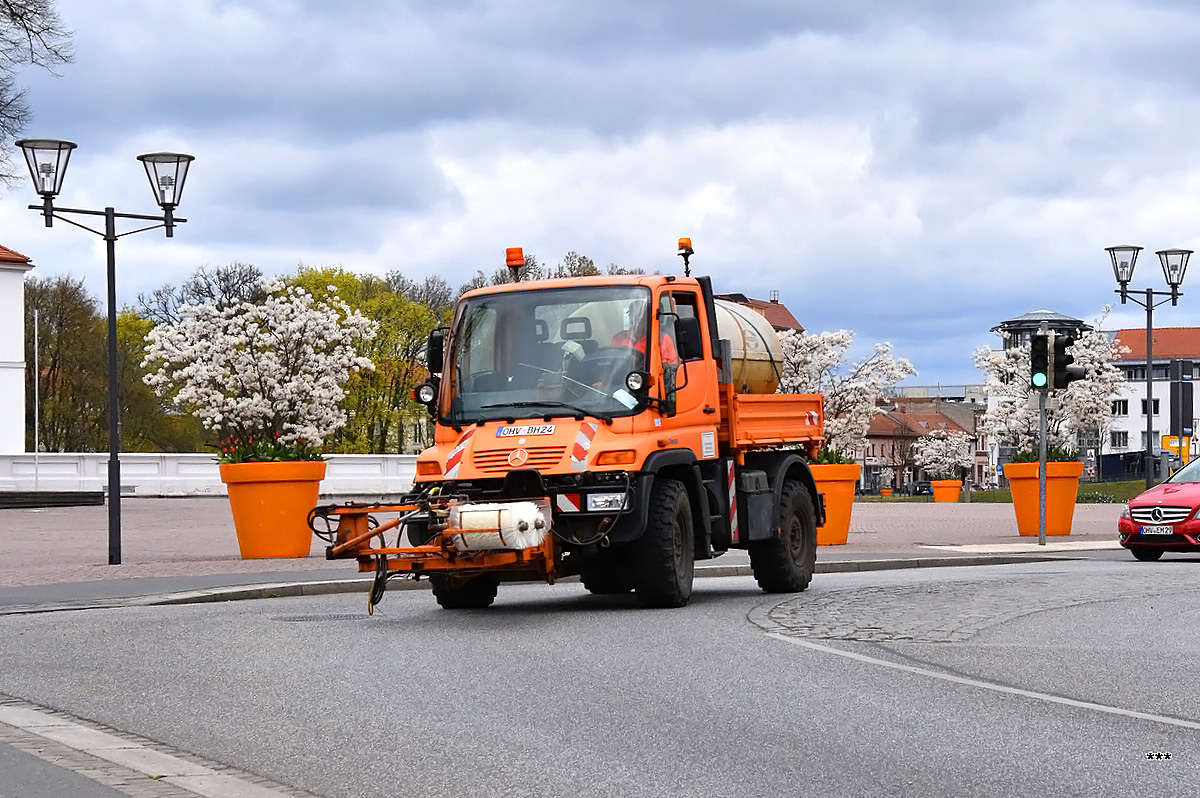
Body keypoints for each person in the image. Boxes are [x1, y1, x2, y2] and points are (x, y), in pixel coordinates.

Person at [611, 300, 678, 365]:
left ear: (647, 317)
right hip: (623, 375)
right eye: (633, 315)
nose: (636, 319)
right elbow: (611, 362)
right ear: (629, 316)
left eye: (640, 315)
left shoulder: (662, 339)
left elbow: (669, 367)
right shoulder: (618, 338)